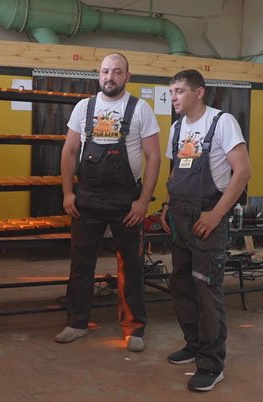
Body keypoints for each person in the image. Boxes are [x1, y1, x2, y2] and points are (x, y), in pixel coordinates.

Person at [56, 53, 161, 352]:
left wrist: (143, 201)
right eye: (105, 71)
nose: (109, 77)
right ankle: (76, 323)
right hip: (87, 199)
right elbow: (69, 151)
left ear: (127, 76)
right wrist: (68, 193)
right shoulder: (83, 107)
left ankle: (134, 327)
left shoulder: (140, 109)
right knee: (81, 264)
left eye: (116, 72)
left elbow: (153, 157)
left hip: (126, 202)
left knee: (131, 265)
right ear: (98, 75)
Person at [159, 69, 251, 392]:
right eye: (171, 92)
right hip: (180, 218)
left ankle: (212, 364)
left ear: (199, 92)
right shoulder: (176, 128)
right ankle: (194, 344)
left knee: (207, 290)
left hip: (208, 217)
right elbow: (175, 170)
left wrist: (215, 215)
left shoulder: (222, 122)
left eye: (180, 91)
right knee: (182, 285)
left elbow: (243, 172)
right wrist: (167, 204)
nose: (173, 97)